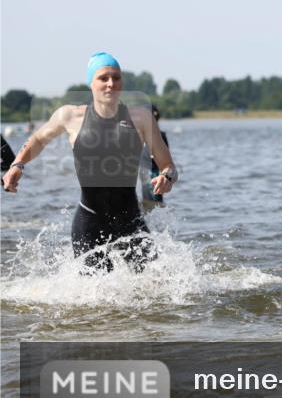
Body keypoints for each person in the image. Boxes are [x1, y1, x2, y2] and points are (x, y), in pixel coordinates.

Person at [1, 52, 178, 272]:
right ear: (91, 83)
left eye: (116, 77)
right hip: (89, 222)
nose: (111, 84)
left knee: (155, 289)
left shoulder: (140, 117)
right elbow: (38, 139)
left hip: (131, 222)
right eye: (103, 78)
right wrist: (17, 165)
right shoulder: (70, 116)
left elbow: (168, 166)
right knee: (92, 298)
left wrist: (167, 177)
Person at [140, 104, 170, 212]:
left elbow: (167, 157)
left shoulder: (160, 135)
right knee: (148, 199)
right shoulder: (141, 134)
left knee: (155, 197)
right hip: (145, 170)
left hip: (155, 170)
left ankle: (156, 215)